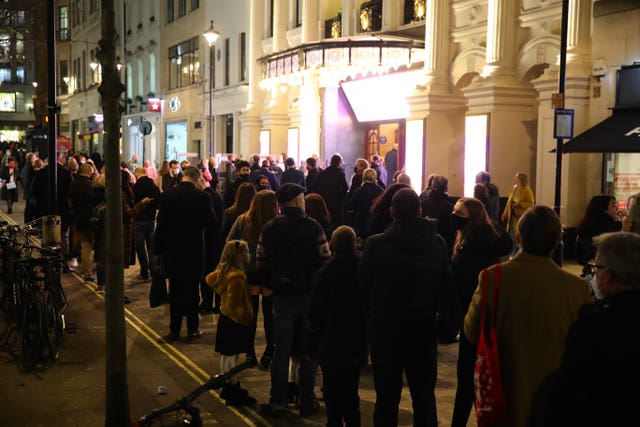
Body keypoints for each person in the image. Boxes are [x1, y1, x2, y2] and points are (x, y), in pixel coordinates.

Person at [463, 205, 591, 427]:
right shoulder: (578, 288)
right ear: (558, 242)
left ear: (519, 238)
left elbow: (471, 332)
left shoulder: (493, 278)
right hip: (556, 398)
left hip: (505, 392)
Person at [359, 188, 447, 427]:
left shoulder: (376, 245)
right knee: (424, 398)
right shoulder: (437, 243)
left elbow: (363, 288)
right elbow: (446, 287)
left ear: (391, 212)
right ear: (420, 211)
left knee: (386, 399)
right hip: (423, 329)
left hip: (386, 331)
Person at [537, 231, 640, 427]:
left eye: (596, 267)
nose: (595, 273)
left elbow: (571, 391)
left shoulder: (594, 324)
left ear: (607, 277)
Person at [257, 183, 331, 418]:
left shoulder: (269, 228)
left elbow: (261, 260)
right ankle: (307, 400)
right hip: (308, 294)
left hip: (282, 297)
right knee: (308, 351)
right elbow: (325, 258)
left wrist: (271, 281)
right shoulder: (313, 226)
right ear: (299, 201)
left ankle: (277, 400)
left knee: (281, 351)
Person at [449, 198, 512, 427]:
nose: (453, 215)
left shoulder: (471, 249)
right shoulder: (491, 241)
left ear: (470, 219)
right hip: (493, 317)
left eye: (458, 212)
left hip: (473, 318)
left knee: (468, 378)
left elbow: (462, 285)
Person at [308, 225, 366, 427]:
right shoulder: (363, 269)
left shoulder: (325, 272)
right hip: (356, 340)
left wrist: (311, 342)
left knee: (332, 388)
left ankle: (334, 421)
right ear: (353, 244)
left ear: (332, 244)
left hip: (330, 340)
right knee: (351, 389)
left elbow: (315, 310)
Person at [153, 166, 219, 341]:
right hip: (195, 249)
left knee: (174, 289)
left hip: (173, 249)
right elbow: (212, 225)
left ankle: (174, 329)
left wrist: (157, 250)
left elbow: (161, 225)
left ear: (183, 176)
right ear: (197, 179)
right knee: (192, 289)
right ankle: (192, 328)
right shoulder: (203, 197)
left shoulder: (168, 195)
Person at [227, 190, 278, 368]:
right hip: (270, 272)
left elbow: (230, 241)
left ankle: (249, 352)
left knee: (251, 313)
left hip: (249, 272)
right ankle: (270, 351)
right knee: (270, 314)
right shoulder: (275, 222)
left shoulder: (243, 219)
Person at [206, 239, 257, 407]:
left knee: (226, 354)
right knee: (232, 357)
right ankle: (232, 386)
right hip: (234, 321)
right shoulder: (237, 277)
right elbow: (234, 303)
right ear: (239, 256)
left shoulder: (225, 273)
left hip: (225, 320)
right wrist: (245, 316)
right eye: (247, 252)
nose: (250, 255)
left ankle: (225, 384)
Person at [574, 195, 622, 276]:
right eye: (613, 205)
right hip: (610, 277)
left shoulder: (584, 227)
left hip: (589, 275)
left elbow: (580, 258)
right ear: (603, 209)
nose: (617, 209)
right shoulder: (614, 228)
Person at [133, 167, 161, 282]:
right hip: (151, 219)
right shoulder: (153, 186)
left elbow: (132, 202)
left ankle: (144, 272)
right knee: (151, 246)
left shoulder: (135, 187)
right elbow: (159, 202)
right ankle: (153, 271)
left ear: (137, 174)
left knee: (140, 247)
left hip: (139, 220)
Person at [311, 154, 348, 229]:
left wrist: (320, 195)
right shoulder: (340, 174)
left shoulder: (322, 173)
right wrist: (339, 195)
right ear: (339, 162)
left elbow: (314, 186)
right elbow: (345, 187)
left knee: (325, 221)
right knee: (337, 222)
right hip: (336, 202)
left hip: (324, 201)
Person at [420, 174, 455, 253]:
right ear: (446, 188)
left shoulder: (423, 204)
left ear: (431, 186)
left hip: (425, 244)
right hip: (445, 246)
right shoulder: (450, 207)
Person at [349, 168, 383, 239]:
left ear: (363, 177)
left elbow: (352, 205)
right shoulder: (380, 190)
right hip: (375, 221)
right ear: (375, 177)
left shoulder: (359, 190)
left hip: (360, 221)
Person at [501, 172, 535, 243]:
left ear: (521, 179)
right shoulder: (514, 188)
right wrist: (505, 214)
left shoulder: (527, 190)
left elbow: (531, 203)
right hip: (512, 216)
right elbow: (508, 202)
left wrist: (520, 204)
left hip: (519, 216)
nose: (515, 179)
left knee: (518, 235)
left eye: (517, 178)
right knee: (511, 235)